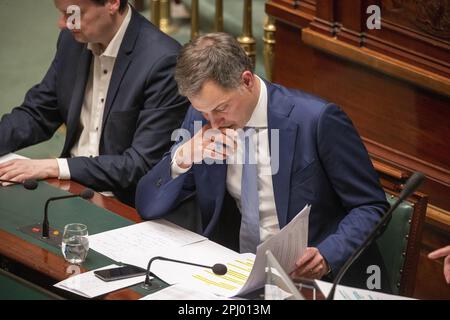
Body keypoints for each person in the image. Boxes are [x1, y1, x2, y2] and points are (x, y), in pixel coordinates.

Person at [135, 33, 389, 285]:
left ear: (246, 81)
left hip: (310, 280)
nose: (213, 122)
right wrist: (182, 156)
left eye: (221, 108)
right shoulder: (202, 117)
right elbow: (147, 205)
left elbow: (371, 207)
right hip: (234, 271)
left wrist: (326, 255)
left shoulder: (317, 120)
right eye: (204, 112)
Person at [0, 0, 189, 206]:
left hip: (124, 203)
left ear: (112, 3)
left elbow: (140, 165)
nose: (63, 23)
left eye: (72, 14)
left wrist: (55, 167)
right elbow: (38, 113)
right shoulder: (72, 41)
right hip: (67, 188)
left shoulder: (162, 60)